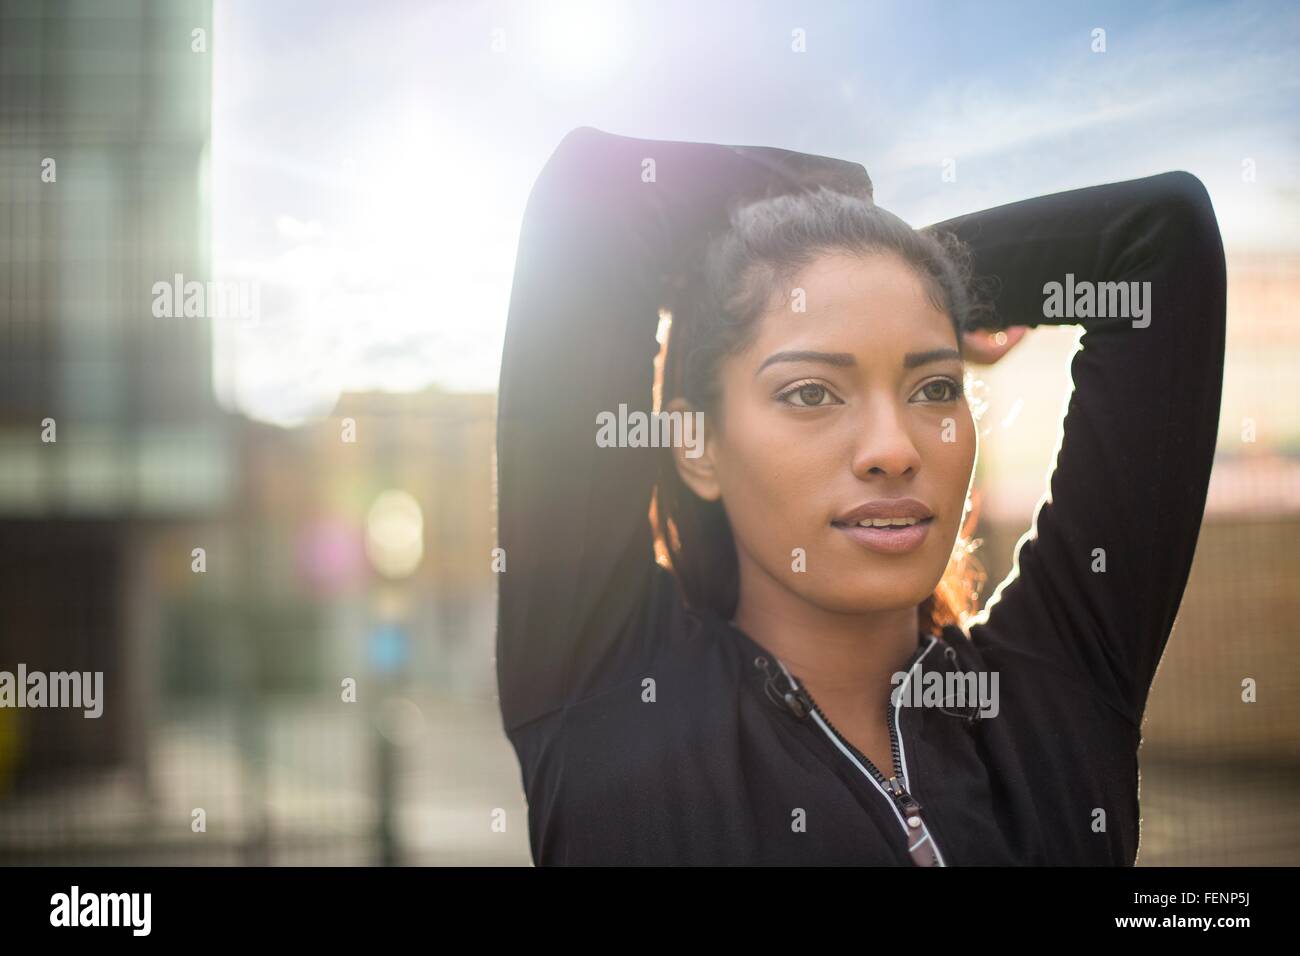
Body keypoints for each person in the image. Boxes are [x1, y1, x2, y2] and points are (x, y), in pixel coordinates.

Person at [494, 125, 1226, 865]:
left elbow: (1163, 239)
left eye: (933, 388)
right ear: (696, 445)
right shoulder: (606, 692)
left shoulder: (1057, 685)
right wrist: (840, 215)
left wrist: (903, 269)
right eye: (812, 392)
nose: (894, 450)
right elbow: (597, 189)